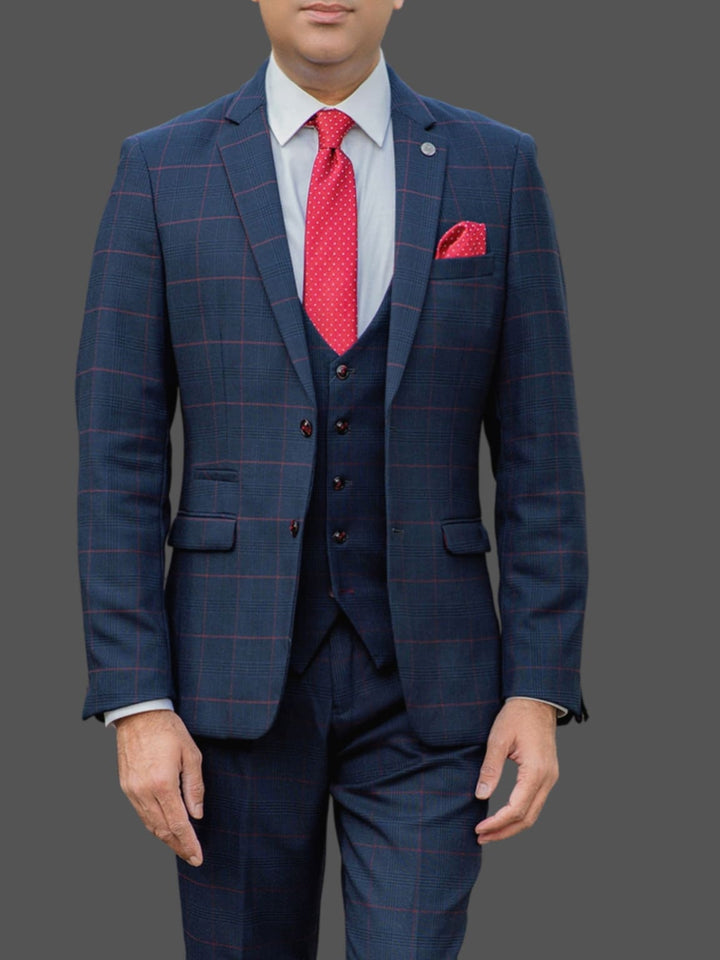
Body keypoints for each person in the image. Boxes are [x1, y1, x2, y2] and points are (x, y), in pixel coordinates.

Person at [76, 1, 588, 956]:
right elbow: (119, 453)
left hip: (435, 691)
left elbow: (541, 453)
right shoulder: (161, 169)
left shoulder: (496, 165)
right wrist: (136, 699)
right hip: (224, 686)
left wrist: (540, 684)